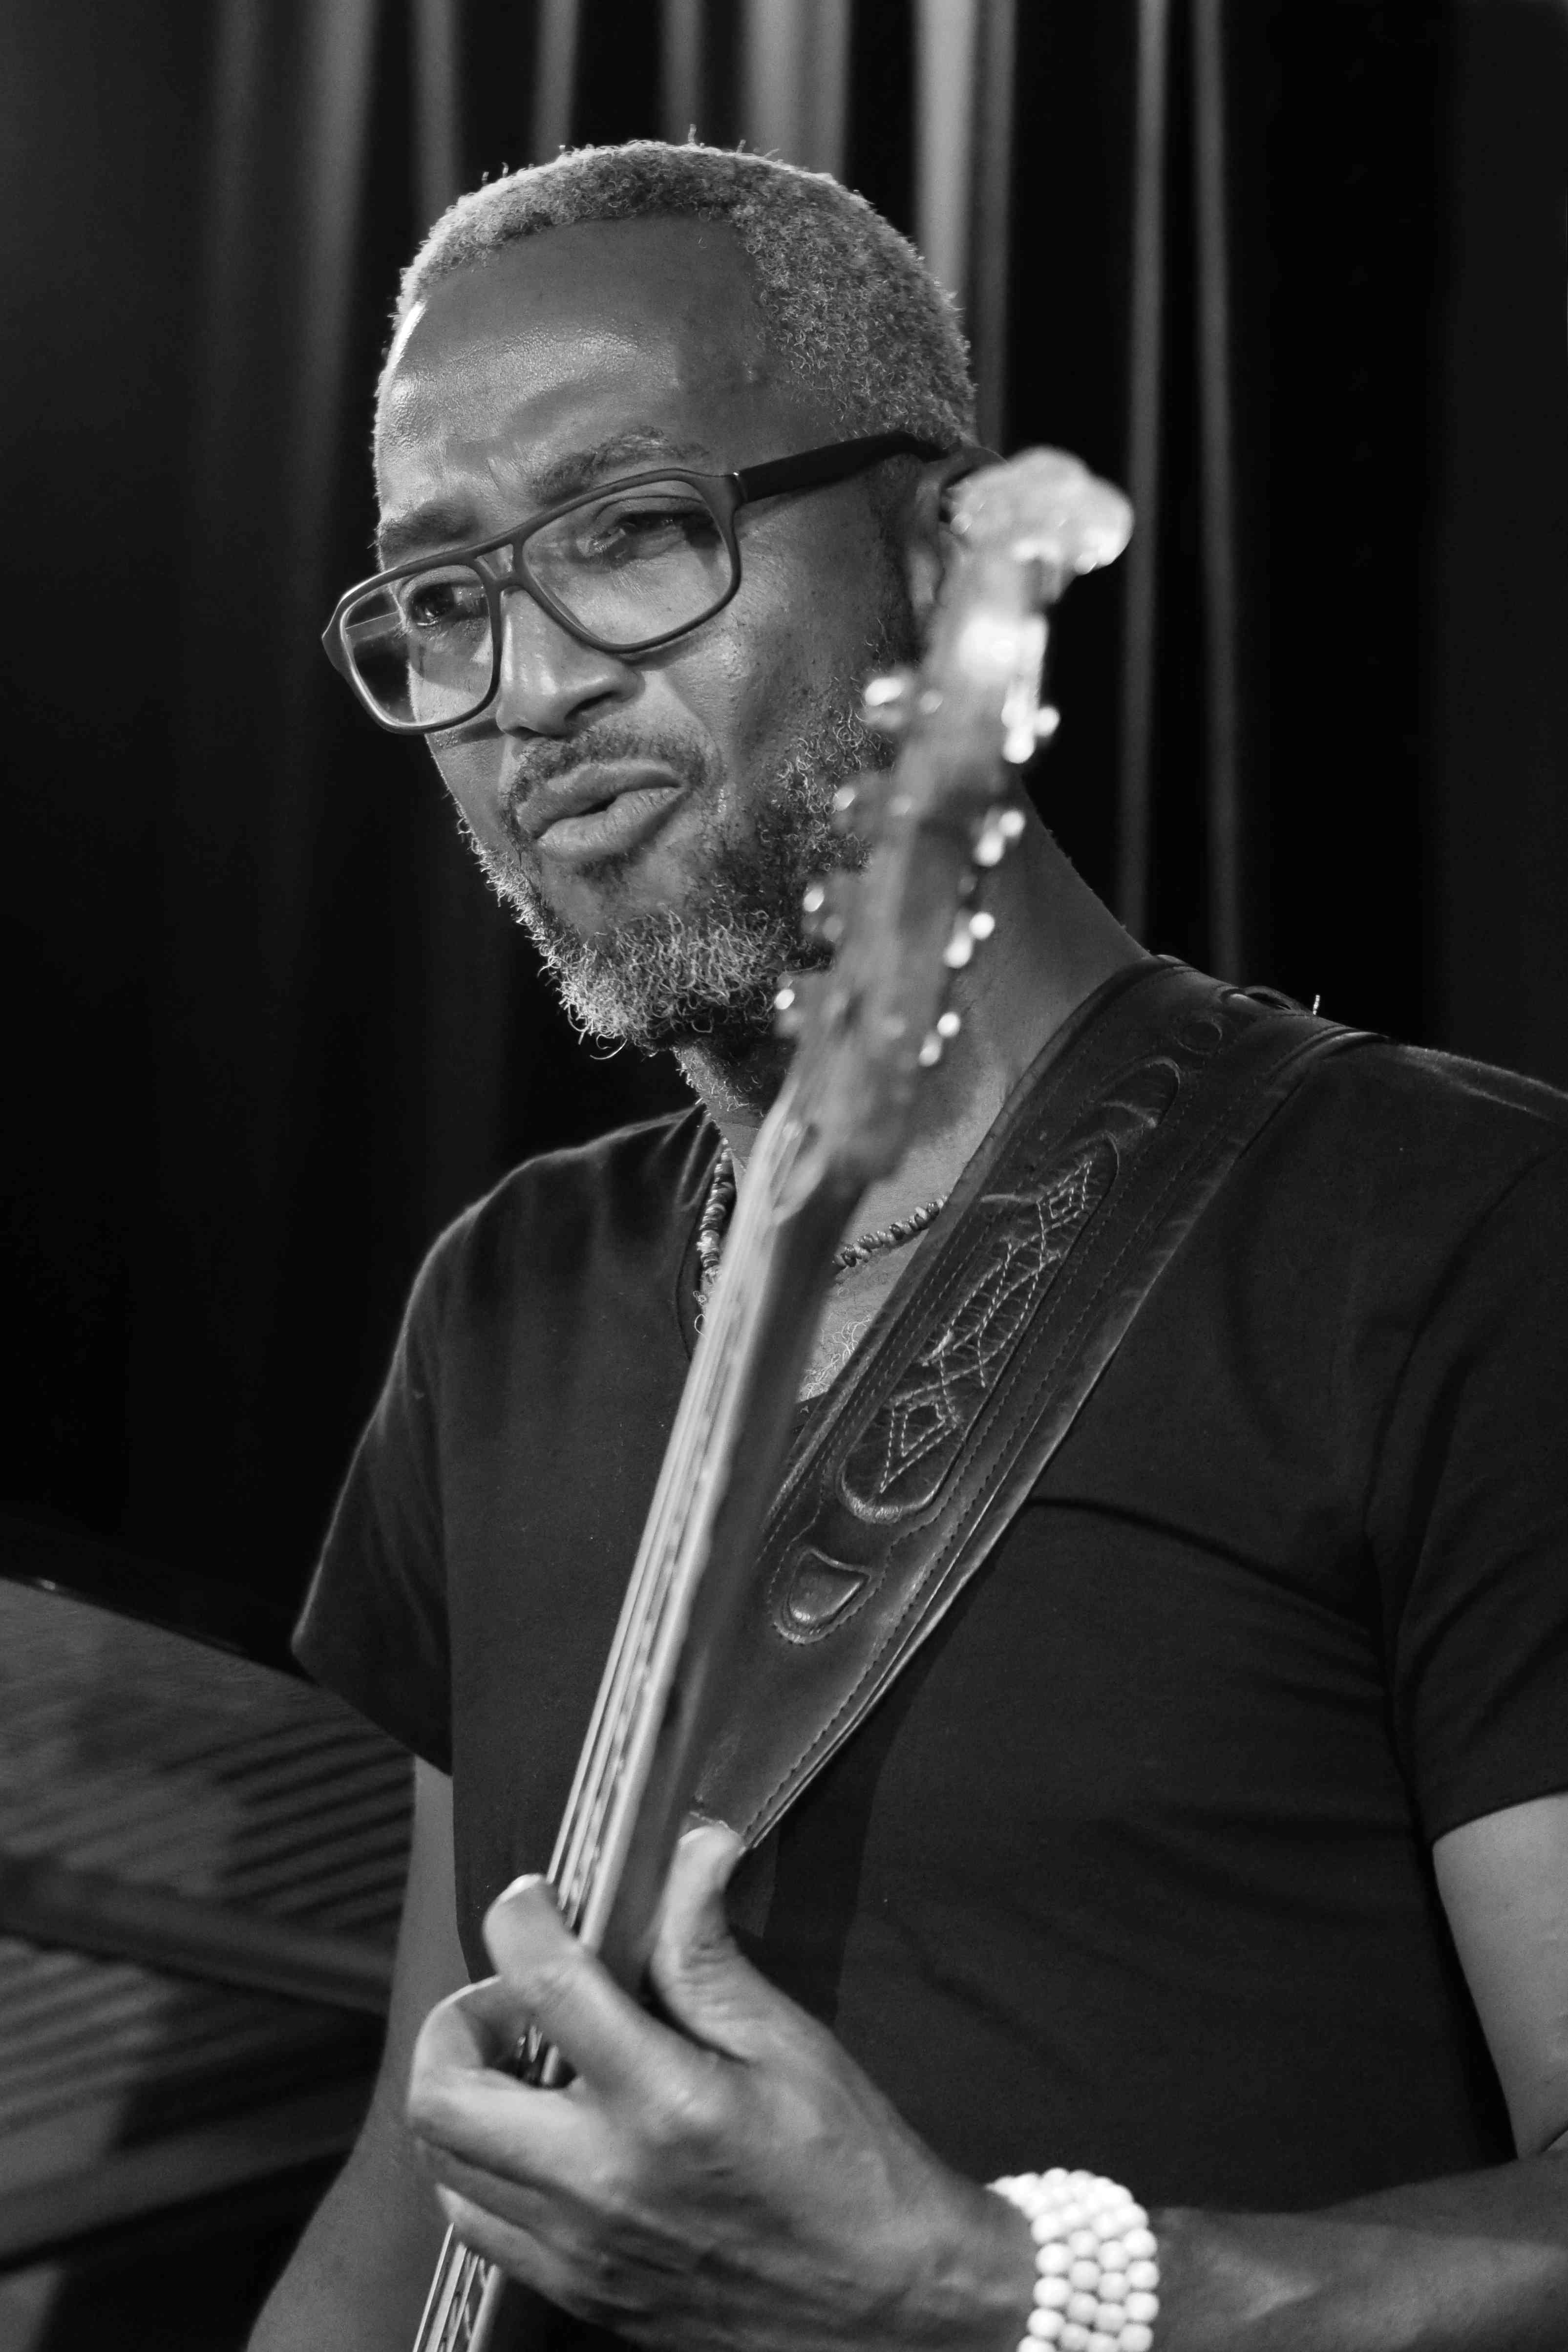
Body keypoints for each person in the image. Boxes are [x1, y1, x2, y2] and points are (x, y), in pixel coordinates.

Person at [250, 142, 1568, 2352]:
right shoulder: (503, 1301)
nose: (523, 687)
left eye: (630, 531)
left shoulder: (1460, 1237)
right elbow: (427, 2173)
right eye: (441, 600)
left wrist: (986, 2291)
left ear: (947, 558)